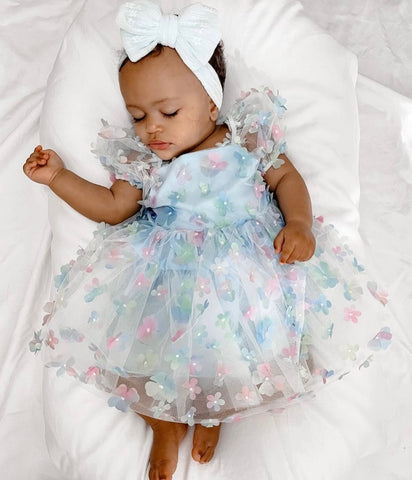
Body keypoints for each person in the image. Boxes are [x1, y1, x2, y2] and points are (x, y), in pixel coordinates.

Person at [24, 2, 392, 479]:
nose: (152, 127)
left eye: (169, 112)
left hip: (244, 274)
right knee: (138, 357)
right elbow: (113, 208)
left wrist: (299, 223)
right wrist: (57, 177)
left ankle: (214, 413)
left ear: (213, 105)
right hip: (168, 278)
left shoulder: (243, 140)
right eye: (138, 116)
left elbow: (286, 179)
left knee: (252, 351)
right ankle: (165, 424)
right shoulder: (145, 164)